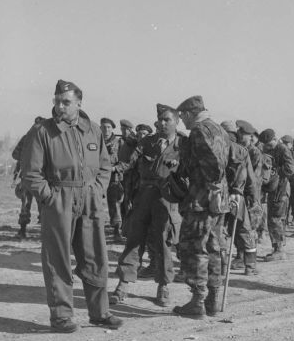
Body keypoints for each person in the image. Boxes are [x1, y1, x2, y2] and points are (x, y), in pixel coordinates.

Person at [22, 79, 122, 332]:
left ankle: (100, 313)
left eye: (65, 102)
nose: (59, 106)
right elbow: (31, 173)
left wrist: (97, 189)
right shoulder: (42, 131)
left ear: (79, 103)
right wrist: (50, 198)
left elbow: (105, 165)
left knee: (95, 256)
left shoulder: (93, 130)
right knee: (58, 260)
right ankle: (61, 317)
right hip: (59, 199)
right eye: (56, 101)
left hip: (89, 198)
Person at [110, 104, 185, 307]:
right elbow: (130, 162)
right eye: (159, 119)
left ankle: (163, 286)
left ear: (177, 121)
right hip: (143, 196)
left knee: (162, 242)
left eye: (166, 119)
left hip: (167, 200)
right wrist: (113, 168)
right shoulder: (147, 142)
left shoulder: (184, 145)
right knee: (134, 239)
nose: (161, 123)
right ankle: (123, 284)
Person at [171, 95, 231, 318]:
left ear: (188, 114)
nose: (182, 122)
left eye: (182, 117)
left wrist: (208, 184)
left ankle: (197, 302)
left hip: (202, 198)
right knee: (214, 247)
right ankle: (212, 301)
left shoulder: (199, 130)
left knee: (195, 247)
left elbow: (213, 165)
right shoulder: (219, 129)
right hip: (218, 198)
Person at [220, 120, 262, 276]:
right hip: (238, 197)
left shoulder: (215, 148)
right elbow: (251, 179)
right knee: (245, 230)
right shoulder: (241, 151)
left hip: (219, 195)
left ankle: (223, 265)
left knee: (221, 230)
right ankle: (250, 266)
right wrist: (253, 199)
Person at [258, 128, 294, 261]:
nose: (268, 148)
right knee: (273, 218)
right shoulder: (270, 149)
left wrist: (275, 171)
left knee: (276, 218)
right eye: (266, 145)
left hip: (281, 188)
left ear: (275, 139)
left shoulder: (282, 149)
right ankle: (277, 248)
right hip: (274, 188)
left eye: (269, 144)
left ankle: (279, 250)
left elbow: (290, 170)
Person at [12, 116, 46, 238]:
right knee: (31, 204)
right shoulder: (28, 139)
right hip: (32, 178)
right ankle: (23, 230)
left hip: (37, 178)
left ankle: (29, 231)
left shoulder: (42, 140)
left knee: (39, 204)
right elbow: (15, 154)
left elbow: (15, 155)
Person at [100, 118, 125, 242]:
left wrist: (115, 168)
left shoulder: (119, 143)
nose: (106, 130)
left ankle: (116, 231)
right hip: (98, 178)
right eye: (103, 127)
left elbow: (125, 162)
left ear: (112, 128)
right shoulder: (96, 141)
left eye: (108, 127)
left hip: (113, 179)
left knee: (114, 205)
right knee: (95, 204)